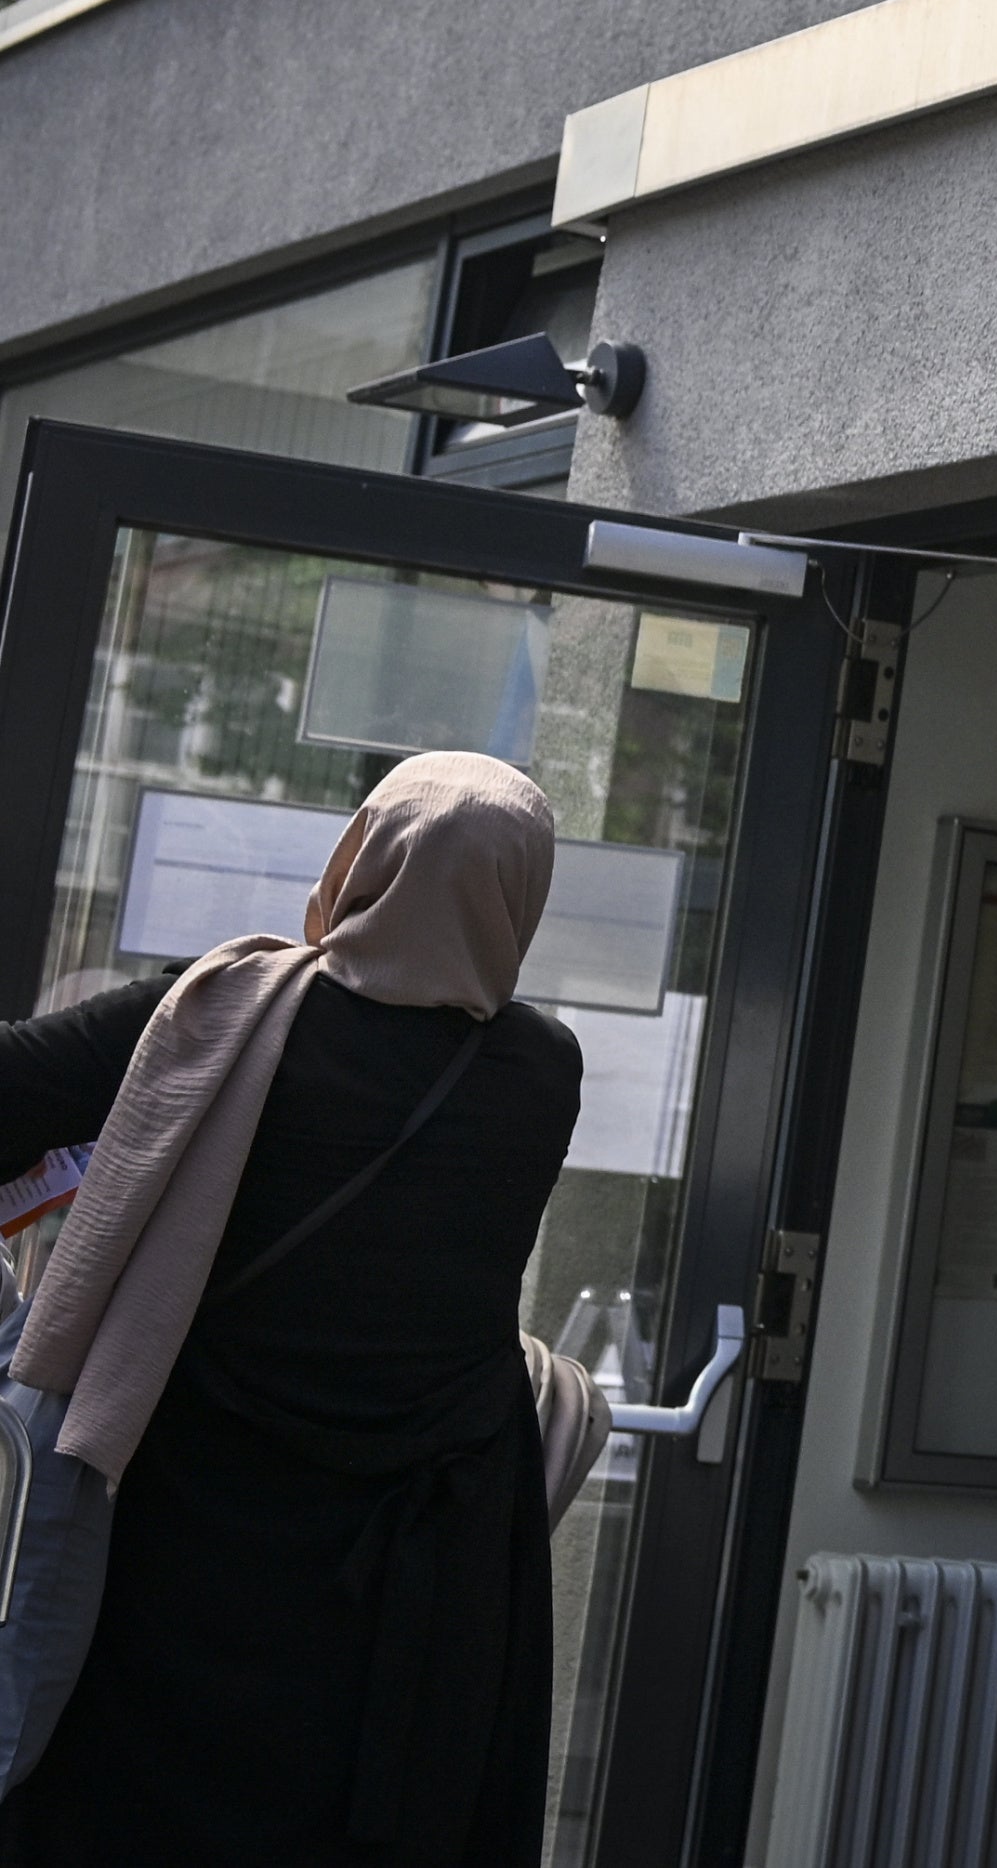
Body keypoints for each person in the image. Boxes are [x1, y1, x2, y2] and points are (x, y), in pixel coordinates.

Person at [0, 752, 581, 1868]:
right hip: (400, 1596)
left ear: (358, 856)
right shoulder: (539, 1072)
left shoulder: (216, 1012)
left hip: (173, 1553)